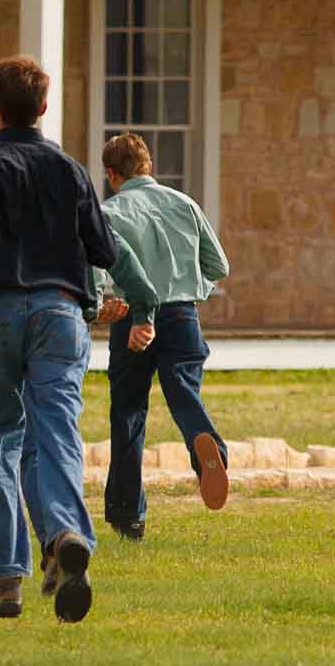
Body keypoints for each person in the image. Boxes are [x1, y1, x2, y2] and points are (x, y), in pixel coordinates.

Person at [0, 56, 160, 622]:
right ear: (45, 107)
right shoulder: (71, 170)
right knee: (57, 430)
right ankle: (64, 531)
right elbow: (102, 248)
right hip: (60, 313)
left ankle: (6, 580)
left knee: (1, 439)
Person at [94, 132, 232, 537]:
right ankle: (207, 446)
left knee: (129, 413)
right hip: (182, 315)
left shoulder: (108, 212)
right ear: (149, 166)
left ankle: (128, 515)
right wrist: (190, 285)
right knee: (182, 389)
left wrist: (107, 303)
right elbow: (218, 265)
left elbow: (102, 272)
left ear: (111, 174)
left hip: (133, 319)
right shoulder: (184, 203)